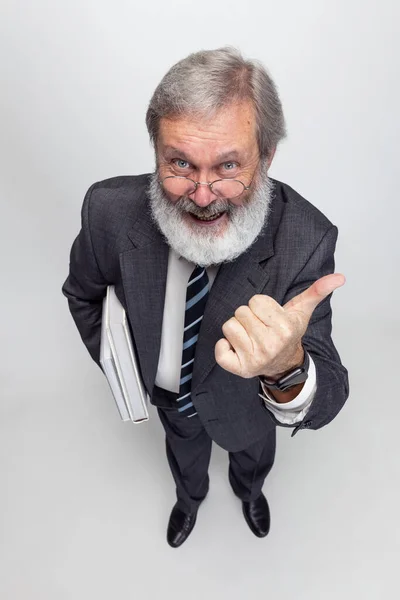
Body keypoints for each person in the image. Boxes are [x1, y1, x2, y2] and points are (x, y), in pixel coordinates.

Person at [61, 46, 350, 549]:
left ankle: (251, 492)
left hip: (248, 412)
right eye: (180, 163)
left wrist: (285, 367)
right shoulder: (107, 211)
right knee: (184, 459)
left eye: (228, 166)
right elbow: (83, 295)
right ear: (156, 151)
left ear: (267, 157)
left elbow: (327, 398)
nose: (200, 194)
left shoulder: (306, 238)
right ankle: (189, 499)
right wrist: (125, 367)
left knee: (253, 459)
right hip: (170, 404)